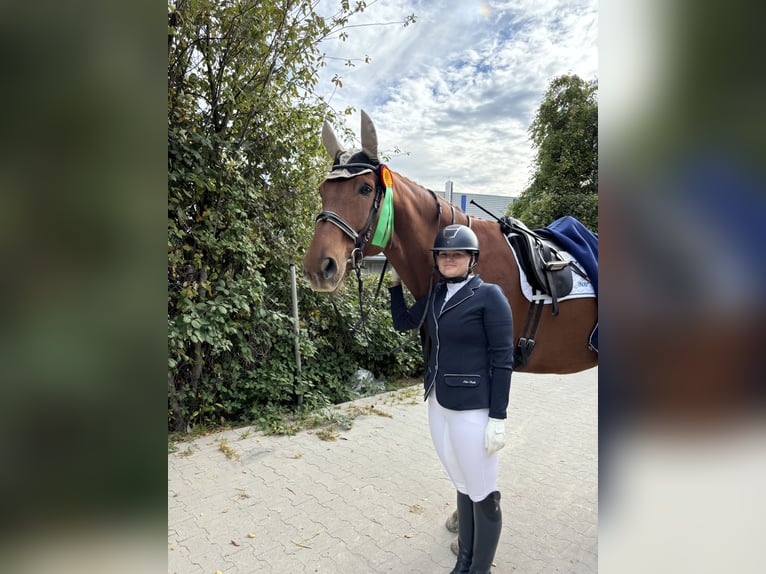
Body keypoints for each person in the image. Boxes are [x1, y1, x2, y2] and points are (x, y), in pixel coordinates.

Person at [389, 224, 514, 574]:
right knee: (462, 483)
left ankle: (480, 569)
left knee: (483, 492)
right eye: (443, 254)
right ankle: (464, 560)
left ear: (471, 259)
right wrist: (395, 286)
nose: (449, 260)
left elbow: (502, 359)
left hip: (473, 408)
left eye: (456, 254)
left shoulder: (490, 296)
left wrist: (498, 417)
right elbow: (403, 323)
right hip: (438, 404)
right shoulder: (436, 295)